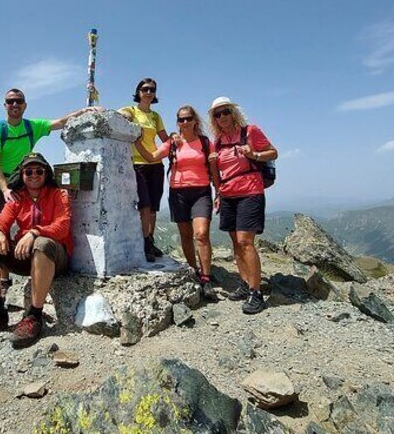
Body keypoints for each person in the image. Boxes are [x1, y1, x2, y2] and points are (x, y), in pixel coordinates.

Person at [0, 88, 92, 296]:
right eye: (10, 101)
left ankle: (34, 261)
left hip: (22, 179)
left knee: (29, 224)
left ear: (25, 105)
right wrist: (5, 189)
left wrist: (87, 111)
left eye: (19, 101)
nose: (14, 105)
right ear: (5, 105)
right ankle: (4, 281)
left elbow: (59, 122)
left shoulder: (32, 126)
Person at [0, 153, 72, 348]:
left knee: (42, 243)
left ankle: (34, 316)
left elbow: (63, 226)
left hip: (54, 258)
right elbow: (0, 222)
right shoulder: (18, 198)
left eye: (39, 171)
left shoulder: (59, 195)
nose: (34, 175)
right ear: (22, 174)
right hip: (26, 258)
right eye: (29, 171)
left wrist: (34, 232)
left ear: (46, 173)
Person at [133, 105, 220, 301]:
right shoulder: (173, 143)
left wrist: (218, 192)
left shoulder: (206, 143)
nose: (185, 122)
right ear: (177, 122)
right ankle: (193, 270)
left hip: (201, 191)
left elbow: (214, 169)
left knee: (201, 233)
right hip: (178, 192)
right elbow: (151, 157)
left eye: (188, 118)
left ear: (195, 120)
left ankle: (206, 278)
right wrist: (137, 140)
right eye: (181, 119)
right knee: (186, 234)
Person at [209, 96, 278, 315]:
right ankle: (245, 283)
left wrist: (254, 154)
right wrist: (218, 193)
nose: (222, 117)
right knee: (235, 243)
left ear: (233, 112)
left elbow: (273, 152)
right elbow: (217, 172)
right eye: (217, 114)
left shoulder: (250, 131)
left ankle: (256, 293)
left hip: (250, 190)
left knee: (245, 241)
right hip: (228, 194)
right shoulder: (217, 141)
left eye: (225, 112)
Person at [118, 78, 169, 262]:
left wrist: (177, 142)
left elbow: (164, 138)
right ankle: (144, 242)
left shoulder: (156, 117)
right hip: (138, 164)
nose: (148, 92)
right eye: (145, 89)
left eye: (152, 90)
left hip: (155, 164)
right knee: (145, 205)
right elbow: (119, 114)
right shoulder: (131, 110)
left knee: (153, 206)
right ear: (138, 92)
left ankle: (150, 240)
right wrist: (126, 116)